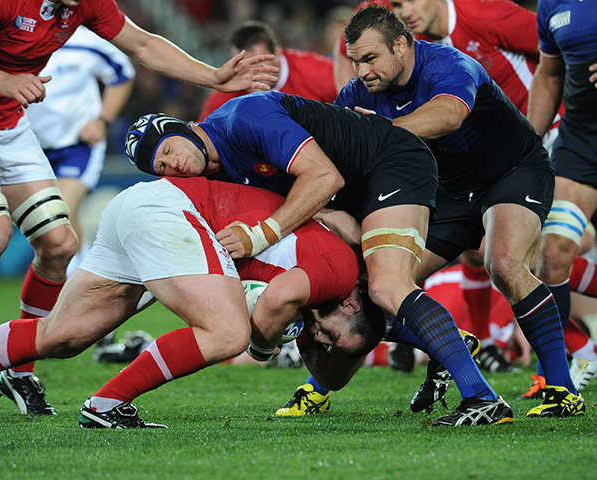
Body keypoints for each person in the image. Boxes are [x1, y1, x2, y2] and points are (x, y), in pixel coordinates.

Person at [0, 0, 278, 416]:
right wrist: (1, 80)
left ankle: (20, 370)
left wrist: (213, 77)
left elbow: (143, 45)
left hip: (6, 125)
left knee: (60, 245)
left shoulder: (88, 3)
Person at [125, 97, 514, 426]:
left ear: (185, 127)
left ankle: (483, 398)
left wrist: (261, 234)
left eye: (168, 149)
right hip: (341, 197)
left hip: (390, 162)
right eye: (159, 166)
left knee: (383, 286)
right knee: (333, 298)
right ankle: (444, 344)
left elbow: (325, 178)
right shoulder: (218, 173)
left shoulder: (242, 119)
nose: (171, 164)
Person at [0, 176, 384, 428]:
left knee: (63, 336)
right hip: (176, 214)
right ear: (350, 306)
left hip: (141, 208)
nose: (319, 339)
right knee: (228, 333)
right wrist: (261, 349)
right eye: (333, 336)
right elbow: (277, 299)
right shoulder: (340, 271)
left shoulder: (334, 262)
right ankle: (107, 403)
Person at [336, 5, 583, 417]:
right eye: (355, 62)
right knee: (379, 286)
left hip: (514, 171)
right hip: (450, 191)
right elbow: (338, 146)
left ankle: (561, 388)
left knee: (502, 262)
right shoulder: (360, 93)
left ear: (401, 44)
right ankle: (467, 372)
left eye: (370, 59)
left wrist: (381, 133)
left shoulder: (449, 62)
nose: (361, 72)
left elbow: (450, 114)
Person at [528, 0, 597, 401]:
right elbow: (549, 73)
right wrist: (529, 144)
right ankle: (556, 383)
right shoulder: (551, 3)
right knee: (550, 255)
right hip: (580, 147)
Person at [25, 25, 135, 274]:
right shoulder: (16, 36)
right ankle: (85, 273)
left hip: (78, 146)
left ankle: (69, 283)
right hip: (26, 147)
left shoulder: (86, 41)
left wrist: (103, 121)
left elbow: (123, 74)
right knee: (60, 223)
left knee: (55, 215)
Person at [197, 20, 338, 121]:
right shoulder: (224, 97)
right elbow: (204, 141)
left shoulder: (317, 71)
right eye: (243, 66)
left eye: (259, 61)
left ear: (277, 52)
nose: (253, 72)